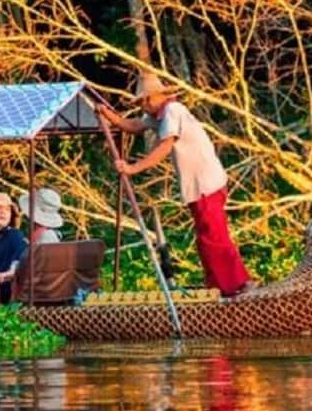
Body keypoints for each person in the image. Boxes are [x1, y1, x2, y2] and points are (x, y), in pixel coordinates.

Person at [95, 71, 253, 296]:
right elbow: (133, 126)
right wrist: (109, 116)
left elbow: (165, 146)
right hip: (197, 187)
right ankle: (218, 287)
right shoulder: (158, 115)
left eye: (144, 101)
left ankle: (240, 284)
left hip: (205, 183)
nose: (144, 106)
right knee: (205, 240)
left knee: (214, 237)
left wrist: (133, 168)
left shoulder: (172, 111)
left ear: (152, 98)